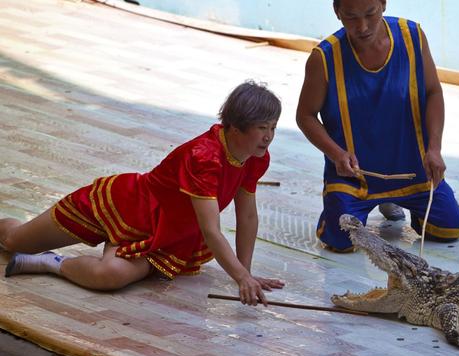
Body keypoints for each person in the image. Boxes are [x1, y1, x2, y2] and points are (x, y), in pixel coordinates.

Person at [0, 81, 284, 306]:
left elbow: (246, 215)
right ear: (235, 127)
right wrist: (241, 277)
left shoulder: (256, 156)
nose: (269, 136)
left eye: (272, 127)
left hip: (161, 234)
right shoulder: (205, 157)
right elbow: (211, 230)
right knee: (15, 241)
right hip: (122, 207)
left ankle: (51, 263)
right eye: (262, 128)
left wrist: (247, 276)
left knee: (109, 276)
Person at [296, 0, 459, 252]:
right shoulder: (324, 57)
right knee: (341, 240)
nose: (362, 26)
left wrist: (434, 148)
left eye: (370, 13)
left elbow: (432, 92)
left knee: (450, 228)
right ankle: (350, 203)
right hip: (355, 177)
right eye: (351, 17)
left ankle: (402, 204)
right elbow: (306, 116)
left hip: (412, 169)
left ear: (384, 4)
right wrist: (337, 155)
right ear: (337, 12)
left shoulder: (412, 37)